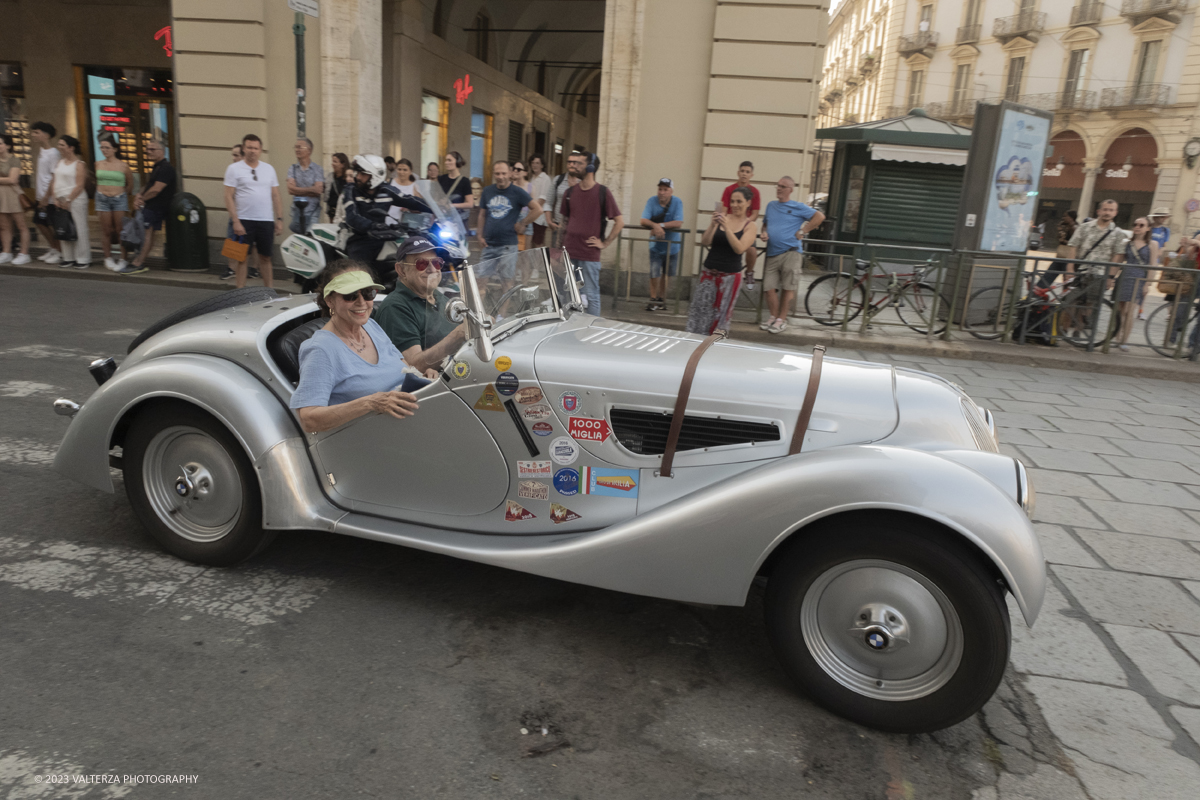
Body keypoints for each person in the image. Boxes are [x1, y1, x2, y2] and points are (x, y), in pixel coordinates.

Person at [290, 260, 420, 434]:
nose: (362, 302)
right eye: (350, 295)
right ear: (330, 301)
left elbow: (404, 367)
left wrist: (422, 376)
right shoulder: (320, 350)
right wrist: (370, 403)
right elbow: (309, 420)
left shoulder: (371, 326)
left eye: (368, 293)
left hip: (409, 424)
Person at [374, 236, 469, 374]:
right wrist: (458, 335)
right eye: (421, 264)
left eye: (437, 263)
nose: (432, 269)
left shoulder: (439, 297)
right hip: (434, 386)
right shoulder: (395, 307)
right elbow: (413, 366)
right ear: (401, 270)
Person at [689, 187, 757, 335]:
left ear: (748, 203)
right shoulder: (722, 218)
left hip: (729, 278)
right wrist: (713, 225)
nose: (735, 205)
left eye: (739, 201)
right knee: (698, 316)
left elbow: (739, 248)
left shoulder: (750, 226)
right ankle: (693, 350)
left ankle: (712, 352)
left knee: (720, 320)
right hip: (708, 275)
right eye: (732, 201)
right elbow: (705, 241)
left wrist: (727, 228)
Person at [561, 151, 623, 311]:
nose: (574, 166)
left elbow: (619, 221)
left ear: (590, 167)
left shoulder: (603, 192)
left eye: (579, 163)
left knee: (591, 295)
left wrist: (605, 243)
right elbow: (564, 222)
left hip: (589, 255)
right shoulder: (570, 193)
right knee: (569, 296)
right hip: (570, 253)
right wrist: (559, 249)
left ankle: (592, 332)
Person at [760, 176, 823, 333]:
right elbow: (765, 224)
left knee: (788, 288)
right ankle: (773, 317)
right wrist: (764, 233)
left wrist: (803, 231)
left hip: (791, 252)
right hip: (773, 253)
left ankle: (781, 320)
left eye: (783, 186)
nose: (779, 188)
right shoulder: (771, 205)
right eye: (778, 185)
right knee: (769, 287)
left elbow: (820, 217)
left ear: (790, 190)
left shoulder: (797, 206)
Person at [222, 133, 281, 288]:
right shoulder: (234, 169)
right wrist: (235, 221)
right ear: (244, 148)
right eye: (249, 147)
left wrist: (279, 219)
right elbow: (228, 196)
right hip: (243, 219)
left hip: (265, 220)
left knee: (266, 257)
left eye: (255, 148)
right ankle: (239, 292)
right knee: (242, 258)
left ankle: (269, 291)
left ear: (260, 150)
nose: (252, 151)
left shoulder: (269, 169)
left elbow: (275, 195)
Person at [1062, 199, 1128, 337]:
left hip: (1100, 273)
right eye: (1105, 209)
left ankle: (1078, 331)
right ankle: (1063, 329)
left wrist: (1111, 277)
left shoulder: (1118, 233)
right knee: (1070, 301)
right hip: (1081, 269)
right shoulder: (1085, 227)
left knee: (1089, 304)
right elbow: (1073, 247)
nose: (1107, 213)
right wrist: (1070, 269)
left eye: (1111, 210)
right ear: (1099, 211)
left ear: (1115, 213)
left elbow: (1118, 256)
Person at [477, 160, 543, 295]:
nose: (500, 176)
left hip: (508, 245)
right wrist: (479, 235)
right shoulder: (487, 191)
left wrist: (523, 223)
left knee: (506, 282)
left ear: (510, 174)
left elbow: (537, 209)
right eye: (497, 173)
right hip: (488, 244)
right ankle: (481, 314)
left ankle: (502, 316)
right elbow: (482, 215)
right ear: (494, 174)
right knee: (481, 281)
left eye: (503, 173)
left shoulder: (517, 192)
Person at [341, 154, 407, 277]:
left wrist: (432, 207)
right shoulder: (351, 190)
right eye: (358, 173)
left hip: (379, 238)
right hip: (358, 239)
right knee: (360, 277)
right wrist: (373, 225)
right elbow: (352, 217)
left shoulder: (386, 190)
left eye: (363, 174)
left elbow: (410, 200)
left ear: (374, 176)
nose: (358, 177)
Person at [123, 139, 177, 275]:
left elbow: (156, 190)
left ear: (162, 151)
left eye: (152, 149)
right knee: (146, 234)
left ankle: (139, 262)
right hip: (151, 207)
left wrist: (141, 200)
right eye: (148, 149)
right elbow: (148, 185)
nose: (149, 152)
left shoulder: (166, 168)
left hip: (156, 208)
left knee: (148, 234)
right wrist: (138, 195)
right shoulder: (156, 167)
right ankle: (139, 260)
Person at [639, 178, 684, 311]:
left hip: (672, 245)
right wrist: (654, 225)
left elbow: (678, 222)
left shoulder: (677, 202)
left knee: (667, 273)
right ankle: (653, 299)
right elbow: (643, 220)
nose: (662, 192)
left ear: (671, 191)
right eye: (660, 189)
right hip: (656, 245)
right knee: (654, 272)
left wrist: (660, 226)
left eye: (665, 190)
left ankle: (661, 299)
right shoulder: (651, 201)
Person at [45, 136, 89, 270]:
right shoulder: (59, 162)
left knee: (79, 228)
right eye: (59, 144)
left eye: (62, 145)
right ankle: (68, 257)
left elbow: (80, 185)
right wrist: (55, 198)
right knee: (63, 227)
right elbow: (54, 181)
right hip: (60, 199)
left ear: (71, 148)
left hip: (76, 199)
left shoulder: (80, 164)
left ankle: (83, 258)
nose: (60, 147)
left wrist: (69, 199)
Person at [1114, 217, 1157, 351]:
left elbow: (1152, 265)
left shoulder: (1152, 244)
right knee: (1121, 309)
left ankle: (1124, 340)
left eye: (1141, 225)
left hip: (1139, 277)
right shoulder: (1127, 243)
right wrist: (1111, 277)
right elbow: (1119, 261)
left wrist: (1147, 284)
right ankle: (1117, 335)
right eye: (1135, 224)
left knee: (1130, 310)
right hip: (1125, 276)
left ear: (1148, 228)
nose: (1137, 227)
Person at [93, 139, 134, 271]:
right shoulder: (98, 164)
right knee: (106, 230)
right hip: (102, 198)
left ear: (115, 149)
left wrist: (122, 193)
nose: (104, 150)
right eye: (102, 147)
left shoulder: (123, 166)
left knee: (120, 230)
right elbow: (96, 180)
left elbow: (130, 184)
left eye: (107, 147)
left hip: (118, 198)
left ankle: (123, 258)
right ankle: (108, 257)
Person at [722, 161, 762, 282]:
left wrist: (744, 224)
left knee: (751, 250)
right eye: (742, 171)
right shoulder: (729, 190)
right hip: (729, 224)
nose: (744, 174)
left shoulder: (755, 192)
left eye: (747, 172)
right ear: (738, 173)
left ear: (751, 175)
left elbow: (755, 213)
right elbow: (724, 210)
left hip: (745, 225)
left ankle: (749, 272)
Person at [30, 122, 62, 264]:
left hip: (48, 198)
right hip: (40, 195)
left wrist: (46, 197)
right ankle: (53, 248)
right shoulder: (41, 151)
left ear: (46, 134)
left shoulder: (54, 153)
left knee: (52, 224)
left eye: (36, 132)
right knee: (39, 222)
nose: (33, 135)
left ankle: (59, 251)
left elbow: (54, 176)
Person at [221, 143, 252, 281]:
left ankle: (253, 269)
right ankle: (232, 269)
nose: (233, 158)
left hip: (248, 214)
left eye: (236, 155)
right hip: (236, 214)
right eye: (233, 155)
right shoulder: (233, 171)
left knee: (252, 245)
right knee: (232, 240)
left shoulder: (249, 171)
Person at [0, 135, 31, 265]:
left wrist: (7, 180)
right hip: (1, 195)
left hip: (13, 194)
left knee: (21, 225)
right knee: (4, 226)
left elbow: (13, 179)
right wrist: (6, 180)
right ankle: (6, 252)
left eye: (1, 143)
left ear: (8, 145)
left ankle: (24, 253)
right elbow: (10, 179)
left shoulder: (14, 160)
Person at [287, 137, 325, 235]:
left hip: (313, 212)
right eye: (295, 147)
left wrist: (298, 190)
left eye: (299, 147)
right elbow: (290, 190)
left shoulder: (317, 169)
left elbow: (318, 190)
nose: (297, 150)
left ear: (309, 150)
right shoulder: (293, 169)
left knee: (310, 238)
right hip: (298, 212)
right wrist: (311, 189)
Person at [1037, 210, 1077, 288]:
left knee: (1066, 280)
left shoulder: (1074, 228)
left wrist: (1064, 241)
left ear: (1071, 218)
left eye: (1065, 216)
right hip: (1061, 256)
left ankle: (1067, 297)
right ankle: (1038, 292)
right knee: (1049, 274)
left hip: (1068, 257)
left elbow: (1074, 243)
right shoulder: (1065, 226)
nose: (1063, 218)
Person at [1146, 206, 1173, 320]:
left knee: (1147, 285)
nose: (1164, 219)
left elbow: (1164, 246)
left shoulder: (1165, 230)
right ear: (1156, 217)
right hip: (1144, 258)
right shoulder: (1148, 227)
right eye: (1162, 216)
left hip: (1154, 260)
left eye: (1165, 217)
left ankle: (1141, 309)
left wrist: (1159, 252)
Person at [437, 151, 473, 228]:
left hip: (459, 220)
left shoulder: (464, 181)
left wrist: (452, 206)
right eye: (446, 160)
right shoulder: (441, 179)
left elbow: (470, 203)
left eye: (449, 160)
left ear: (457, 162)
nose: (446, 162)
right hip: (444, 219)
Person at [544, 168, 578, 249]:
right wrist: (549, 222)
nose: (572, 165)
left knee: (572, 258)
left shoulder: (583, 181)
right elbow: (548, 202)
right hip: (558, 226)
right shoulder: (558, 180)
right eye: (570, 162)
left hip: (576, 229)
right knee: (556, 257)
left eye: (575, 162)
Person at [527, 154, 553, 248]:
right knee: (532, 242)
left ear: (542, 165)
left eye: (537, 163)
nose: (535, 165)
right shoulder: (532, 178)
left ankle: (543, 262)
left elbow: (542, 199)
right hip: (531, 215)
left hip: (539, 217)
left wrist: (532, 210)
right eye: (533, 163)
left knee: (539, 243)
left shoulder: (545, 178)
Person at [510, 160, 531, 250]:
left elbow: (535, 208)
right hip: (512, 219)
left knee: (526, 252)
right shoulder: (509, 186)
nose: (515, 171)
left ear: (525, 173)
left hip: (526, 218)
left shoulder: (530, 186)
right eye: (514, 168)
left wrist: (524, 224)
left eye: (518, 169)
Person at [327, 152, 349, 222]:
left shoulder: (347, 180)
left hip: (342, 213)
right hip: (332, 212)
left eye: (335, 162)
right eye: (332, 161)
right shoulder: (331, 177)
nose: (332, 164)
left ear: (342, 164)